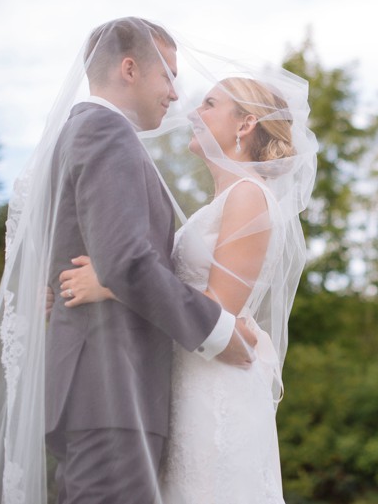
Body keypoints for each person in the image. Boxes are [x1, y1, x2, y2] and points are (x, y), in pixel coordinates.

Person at [0, 17, 257, 504]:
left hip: (100, 389)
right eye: (168, 76)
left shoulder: (74, 133)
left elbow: (60, 258)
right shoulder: (106, 132)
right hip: (112, 386)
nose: (177, 94)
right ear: (130, 69)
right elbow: (128, 262)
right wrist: (220, 333)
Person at [57, 73, 316, 503]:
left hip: (216, 387)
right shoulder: (221, 203)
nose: (193, 113)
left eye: (210, 104)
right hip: (190, 377)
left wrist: (113, 285)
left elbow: (218, 311)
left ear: (245, 123)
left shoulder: (249, 196)